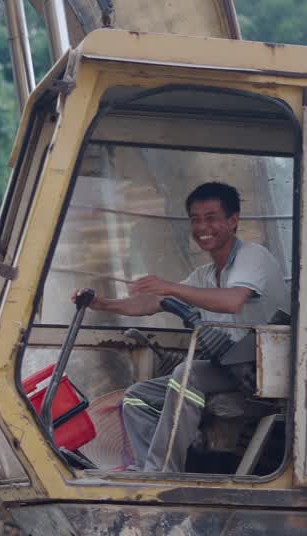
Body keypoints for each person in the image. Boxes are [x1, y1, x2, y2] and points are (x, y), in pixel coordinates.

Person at [73, 182, 287, 472]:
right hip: (231, 371)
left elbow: (233, 300)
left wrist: (169, 286)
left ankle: (162, 473)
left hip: (267, 373)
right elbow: (154, 302)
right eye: (195, 220)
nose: (202, 227)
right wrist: (102, 304)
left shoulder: (253, 257)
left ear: (233, 220)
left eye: (211, 218)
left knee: (188, 373)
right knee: (138, 397)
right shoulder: (206, 274)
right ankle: (146, 468)